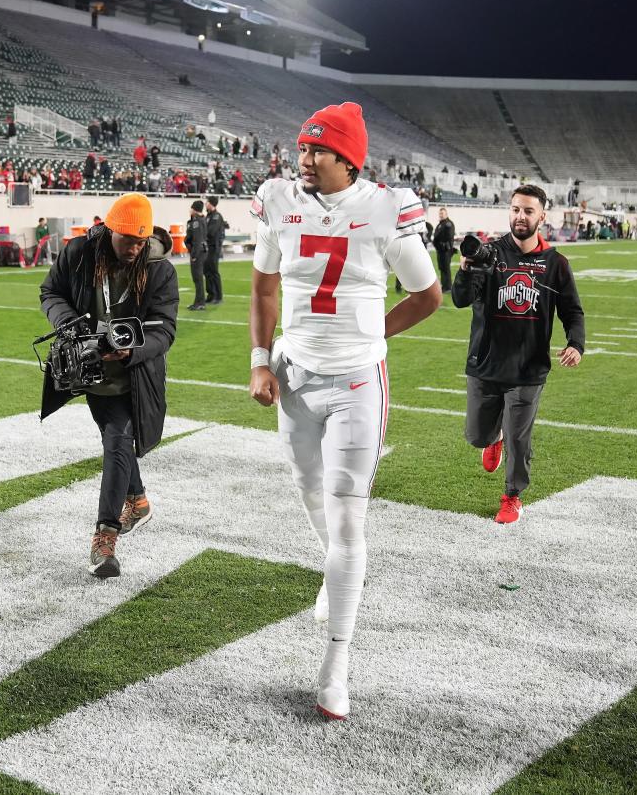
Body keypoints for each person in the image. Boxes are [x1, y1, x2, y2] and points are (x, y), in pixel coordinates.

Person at [248, 102, 442, 721]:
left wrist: (374, 336)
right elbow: (263, 285)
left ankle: (336, 667)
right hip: (295, 375)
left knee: (347, 519)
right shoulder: (278, 199)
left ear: (348, 159)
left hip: (358, 380)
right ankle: (336, 579)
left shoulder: (385, 207)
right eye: (301, 149)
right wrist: (258, 359)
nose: (302, 161)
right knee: (313, 501)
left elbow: (428, 295)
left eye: (316, 151)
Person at [40, 193, 179, 578]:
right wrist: (73, 325)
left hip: (133, 375)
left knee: (117, 441)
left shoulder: (159, 268)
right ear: (109, 229)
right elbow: (50, 292)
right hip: (88, 371)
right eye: (128, 240)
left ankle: (105, 538)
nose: (135, 248)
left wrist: (131, 351)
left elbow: (165, 330)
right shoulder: (80, 252)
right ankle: (137, 501)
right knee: (113, 438)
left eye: (142, 240)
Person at [452, 184, 584, 525]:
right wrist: (466, 269)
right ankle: (490, 438)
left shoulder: (556, 264)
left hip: (528, 368)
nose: (520, 216)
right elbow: (461, 299)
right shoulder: (489, 254)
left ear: (542, 215)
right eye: (515, 209)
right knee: (476, 435)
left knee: (519, 437)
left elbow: (572, 311)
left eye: (528, 211)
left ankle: (512, 497)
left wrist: (575, 343)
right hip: (485, 362)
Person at [185, 199, 208, 310]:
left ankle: (200, 303)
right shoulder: (200, 220)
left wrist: (194, 255)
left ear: (194, 209)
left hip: (198, 253)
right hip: (201, 252)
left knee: (197, 278)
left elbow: (197, 240)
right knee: (198, 279)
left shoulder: (196, 222)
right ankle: (198, 301)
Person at [205, 194, 228, 304]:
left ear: (211, 204)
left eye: (207, 202)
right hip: (207, 248)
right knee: (207, 271)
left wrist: (202, 233)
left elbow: (211, 231)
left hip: (214, 247)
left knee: (214, 271)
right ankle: (211, 294)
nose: (206, 204)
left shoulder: (216, 216)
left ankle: (218, 296)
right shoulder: (208, 216)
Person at [433, 207, 456, 292]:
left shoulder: (448, 224)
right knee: (441, 268)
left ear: (446, 214)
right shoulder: (440, 224)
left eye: (442, 213)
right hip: (440, 250)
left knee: (446, 268)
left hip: (446, 250)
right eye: (440, 213)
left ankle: (448, 287)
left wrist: (443, 245)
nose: (441, 215)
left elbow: (449, 237)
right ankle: (444, 286)